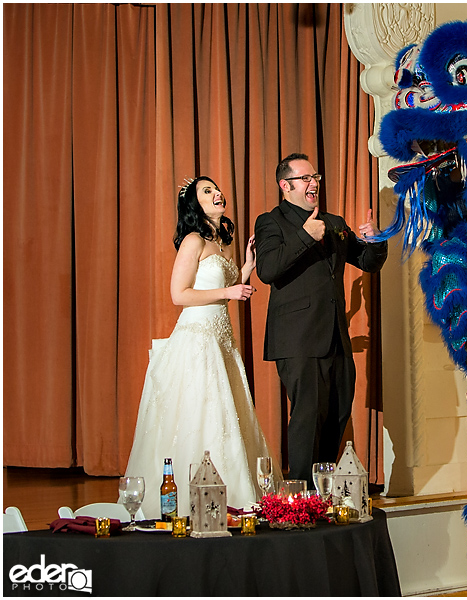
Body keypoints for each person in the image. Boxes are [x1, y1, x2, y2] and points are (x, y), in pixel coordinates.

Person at [125, 176, 282, 519]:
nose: (217, 193)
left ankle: (230, 497)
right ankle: (193, 498)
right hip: (197, 339)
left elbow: (226, 289)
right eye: (206, 191)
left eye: (216, 188)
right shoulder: (193, 241)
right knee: (202, 413)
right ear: (195, 205)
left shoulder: (220, 244)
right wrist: (228, 292)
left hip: (221, 340)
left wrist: (246, 268)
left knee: (227, 415)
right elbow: (179, 295)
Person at [254, 153, 388, 484]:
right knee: (308, 416)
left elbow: (367, 262)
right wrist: (304, 236)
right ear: (285, 186)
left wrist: (375, 241)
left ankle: (323, 492)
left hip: (335, 337)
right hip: (297, 338)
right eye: (305, 178)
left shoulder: (334, 222)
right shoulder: (271, 222)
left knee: (339, 411)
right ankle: (300, 494)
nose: (313, 183)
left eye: (316, 177)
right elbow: (267, 270)